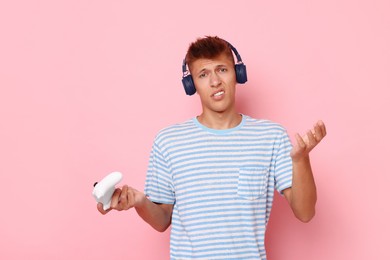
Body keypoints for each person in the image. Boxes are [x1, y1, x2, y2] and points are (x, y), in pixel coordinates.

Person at [97, 36, 327, 259]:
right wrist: (139, 202)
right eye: (203, 74)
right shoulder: (168, 141)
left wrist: (301, 160)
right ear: (192, 84)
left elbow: (305, 213)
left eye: (222, 70)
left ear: (237, 74)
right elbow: (162, 220)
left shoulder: (271, 136)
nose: (215, 81)